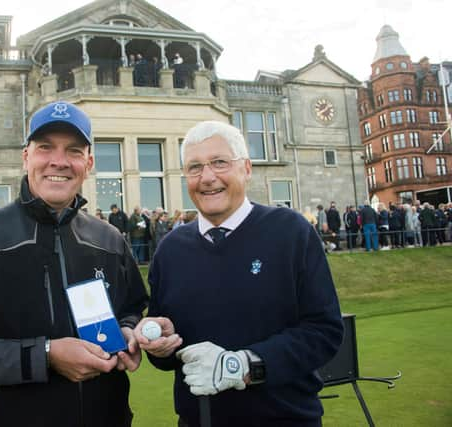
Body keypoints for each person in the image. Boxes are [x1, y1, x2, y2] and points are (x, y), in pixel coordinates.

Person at [0, 101, 148, 427]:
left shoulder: (109, 239)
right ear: (26, 156)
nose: (59, 161)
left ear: (89, 162)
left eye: (74, 150)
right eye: (45, 148)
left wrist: (127, 332)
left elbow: (131, 309)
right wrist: (46, 356)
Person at [133, 121, 343, 427]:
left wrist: (245, 365)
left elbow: (324, 331)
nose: (207, 177)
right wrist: (160, 344)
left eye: (219, 162)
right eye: (194, 167)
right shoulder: (170, 249)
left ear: (246, 168)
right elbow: (167, 357)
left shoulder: (290, 231)